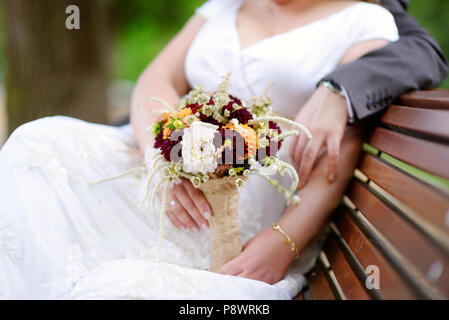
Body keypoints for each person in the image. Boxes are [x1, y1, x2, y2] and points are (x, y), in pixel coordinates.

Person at [0, 0, 446, 299]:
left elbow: (340, 145)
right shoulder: (225, 5)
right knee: (36, 146)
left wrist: (284, 242)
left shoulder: (364, 20)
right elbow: (156, 80)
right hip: (161, 165)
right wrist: (163, 163)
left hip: (246, 203)